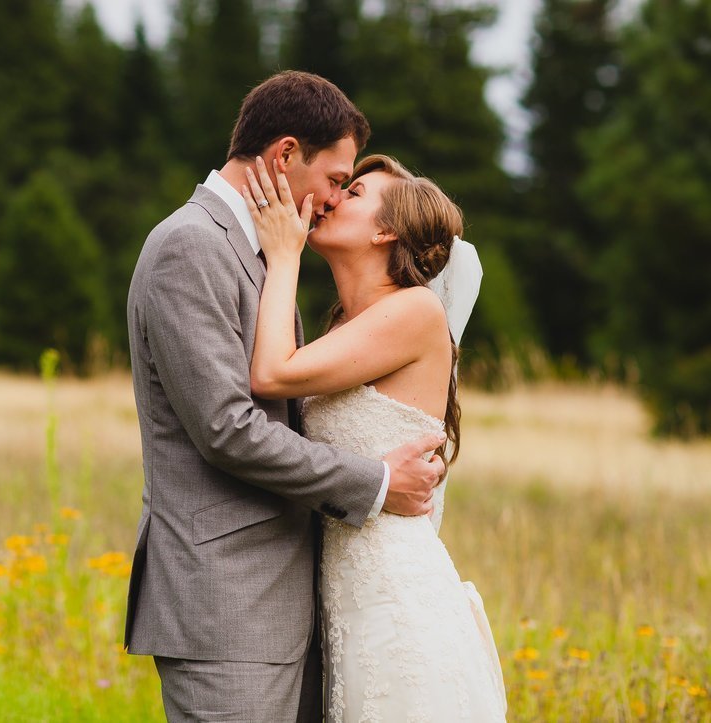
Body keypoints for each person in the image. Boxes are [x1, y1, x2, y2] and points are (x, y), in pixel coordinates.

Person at [124, 71, 447, 722]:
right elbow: (228, 429)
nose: (332, 200)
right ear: (284, 156)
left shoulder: (270, 256)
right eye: (335, 179)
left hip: (295, 604)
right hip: (227, 607)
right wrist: (380, 480)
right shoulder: (190, 246)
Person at [243, 153, 507, 721]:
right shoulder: (344, 326)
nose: (333, 198)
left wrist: (283, 254)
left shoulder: (414, 311)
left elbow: (270, 374)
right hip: (346, 601)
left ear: (386, 231)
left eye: (354, 191)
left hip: (396, 599)